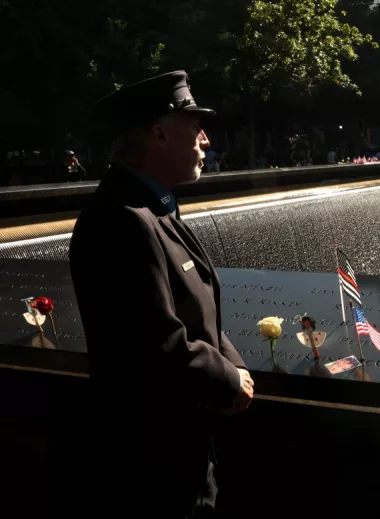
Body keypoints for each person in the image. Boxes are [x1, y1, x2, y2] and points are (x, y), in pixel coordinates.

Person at [69, 70, 254, 518]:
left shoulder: (152, 208)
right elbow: (156, 342)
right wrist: (229, 380)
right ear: (158, 134)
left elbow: (196, 308)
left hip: (179, 447)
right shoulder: (122, 219)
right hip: (153, 466)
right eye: (195, 127)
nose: (205, 140)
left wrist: (234, 364)